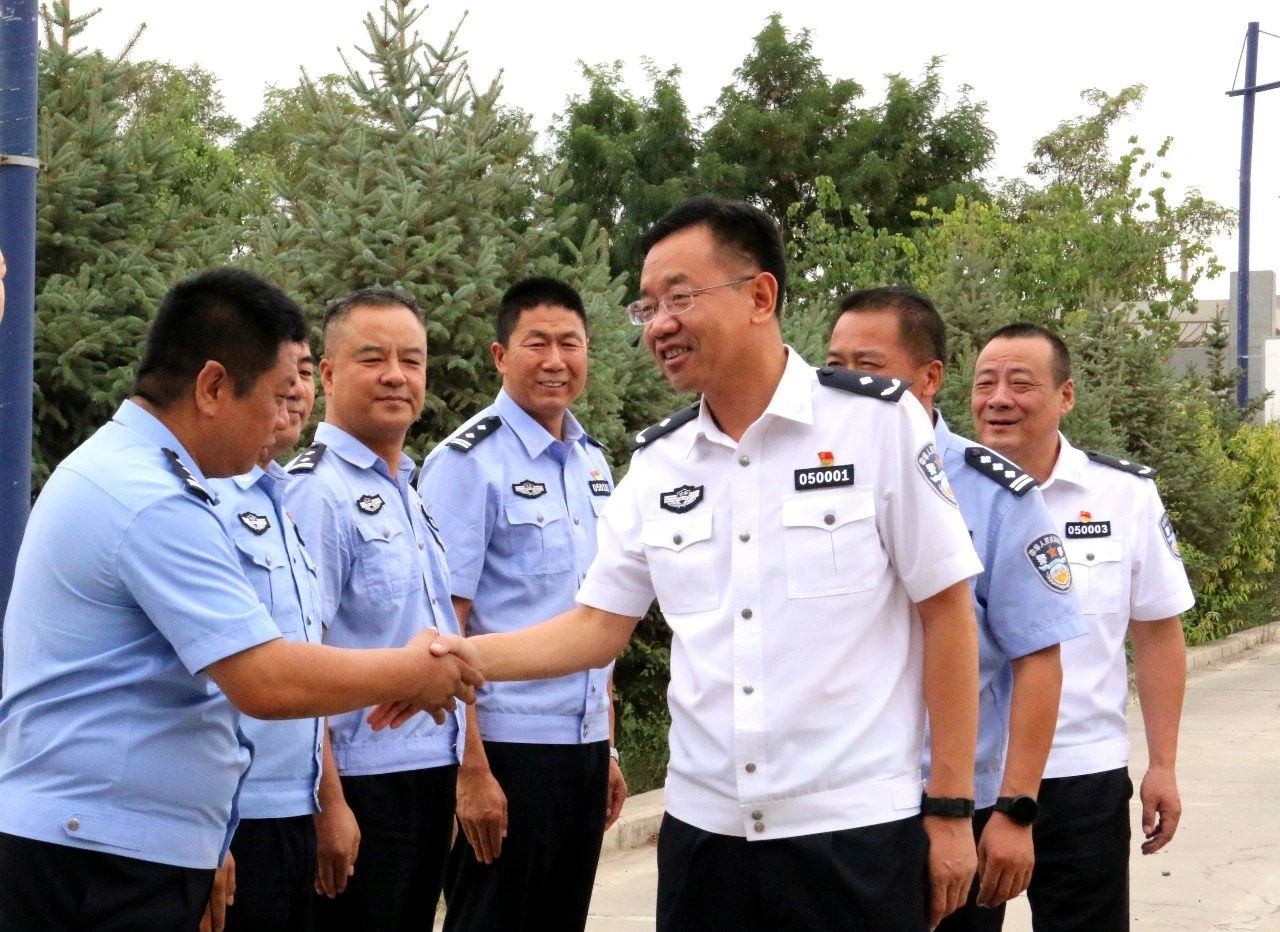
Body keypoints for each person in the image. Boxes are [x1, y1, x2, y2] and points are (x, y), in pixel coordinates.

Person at [415, 196, 986, 930]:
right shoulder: (661, 460)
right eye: (647, 306)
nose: (659, 325)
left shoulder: (875, 422)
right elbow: (595, 627)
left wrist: (950, 808)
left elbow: (946, 610)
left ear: (760, 297)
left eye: (679, 297)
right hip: (704, 840)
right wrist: (459, 658)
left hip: (852, 834)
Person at [0, 268, 480, 932]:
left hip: (119, 843)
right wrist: (412, 671)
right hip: (96, 858)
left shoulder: (135, 474)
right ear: (213, 387)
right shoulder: (149, 498)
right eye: (277, 394)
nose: (285, 416)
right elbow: (264, 678)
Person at [826, 287, 1084, 930]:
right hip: (833, 801)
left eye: (868, 366)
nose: (846, 384)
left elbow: (1038, 658)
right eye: (834, 366)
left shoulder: (993, 492)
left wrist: (1015, 811)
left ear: (930, 378)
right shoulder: (812, 478)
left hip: (948, 804)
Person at [417, 276, 627, 931]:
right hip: (507, 751)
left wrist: (608, 748)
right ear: (501, 355)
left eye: (571, 343)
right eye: (537, 343)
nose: (555, 360)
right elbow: (442, 629)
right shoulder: (468, 462)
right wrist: (470, 770)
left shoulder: (592, 463)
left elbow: (598, 617)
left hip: (582, 749)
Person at [970, 323, 1194, 931]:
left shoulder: (1122, 494)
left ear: (1065, 396)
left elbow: (1157, 631)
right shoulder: (939, 490)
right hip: (967, 778)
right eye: (985, 383)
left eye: (1021, 384)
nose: (998, 399)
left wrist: (1163, 764)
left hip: (1080, 777)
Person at [283, 286, 466, 931]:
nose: (396, 375)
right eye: (373, 358)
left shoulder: (406, 490)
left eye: (411, 360)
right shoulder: (316, 493)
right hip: (360, 786)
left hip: (425, 773)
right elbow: (298, 662)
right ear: (328, 374)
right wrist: (328, 804)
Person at [211, 337, 357, 931]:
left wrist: (328, 799)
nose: (296, 390)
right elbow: (188, 686)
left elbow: (304, 664)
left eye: (303, 373)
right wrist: (208, 832)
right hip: (234, 820)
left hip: (293, 810)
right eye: (281, 375)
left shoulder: (281, 500)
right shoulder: (203, 500)